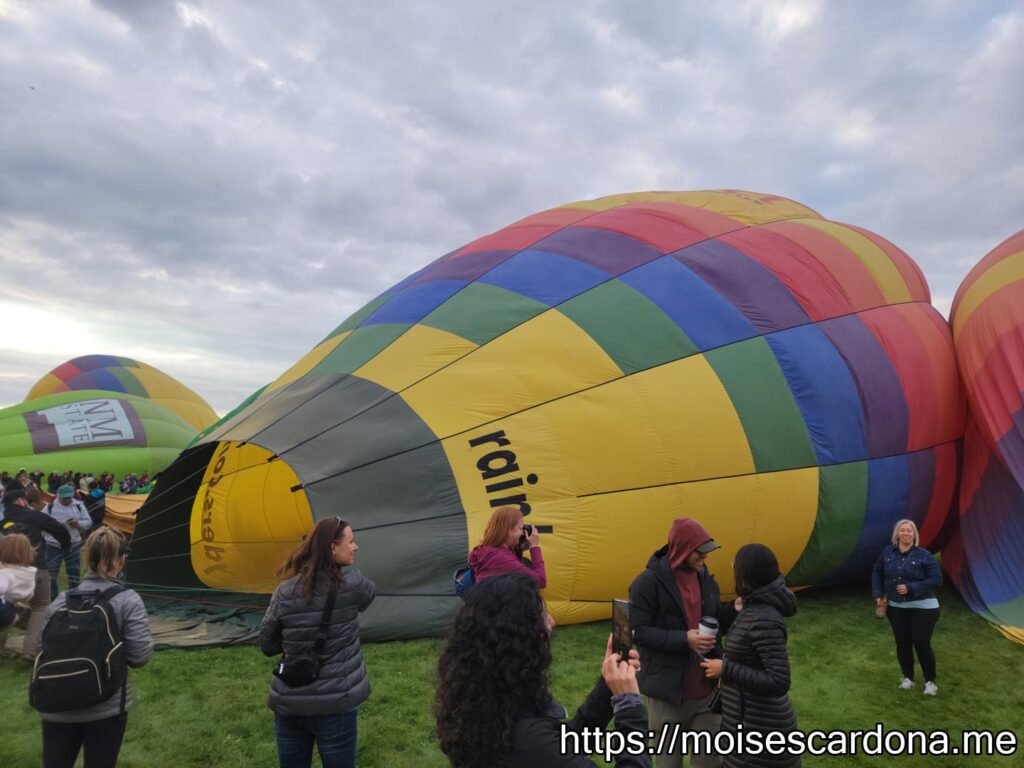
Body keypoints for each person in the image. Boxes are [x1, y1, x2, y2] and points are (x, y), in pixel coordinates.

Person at [436, 572, 650, 768]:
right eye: (541, 617)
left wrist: (608, 686)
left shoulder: (486, 709)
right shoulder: (530, 742)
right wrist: (628, 704)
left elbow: (563, 744)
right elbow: (548, 749)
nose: (551, 623)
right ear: (516, 641)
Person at [259, 517, 376, 768]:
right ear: (333, 548)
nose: (355, 547)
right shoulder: (354, 584)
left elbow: (266, 645)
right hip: (335, 703)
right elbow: (368, 597)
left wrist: (295, 643)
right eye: (351, 542)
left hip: (290, 701)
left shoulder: (285, 591)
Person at [39, 526, 153, 768]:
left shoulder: (60, 601)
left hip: (55, 704)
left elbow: (44, 646)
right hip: (106, 706)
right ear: (122, 559)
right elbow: (140, 656)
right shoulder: (127, 600)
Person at [629, 518, 730, 768]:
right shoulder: (647, 583)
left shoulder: (707, 579)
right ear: (683, 549)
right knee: (667, 764)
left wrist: (736, 610)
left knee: (711, 764)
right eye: (700, 551)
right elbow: (639, 633)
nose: (704, 557)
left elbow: (716, 623)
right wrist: (684, 638)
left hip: (707, 694)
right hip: (667, 696)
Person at [701, 544, 799, 768]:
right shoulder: (752, 607)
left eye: (736, 565)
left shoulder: (764, 618)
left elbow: (779, 680)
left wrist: (725, 668)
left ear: (747, 574)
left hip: (762, 730)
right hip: (746, 722)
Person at [872, 519, 942, 696]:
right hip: (896, 606)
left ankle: (930, 681)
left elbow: (936, 579)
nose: (906, 533)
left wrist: (912, 588)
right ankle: (908, 678)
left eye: (909, 531)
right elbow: (877, 571)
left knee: (921, 643)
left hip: (923, 606)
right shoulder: (888, 552)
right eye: (902, 530)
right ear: (897, 534)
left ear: (914, 535)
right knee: (902, 642)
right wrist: (878, 593)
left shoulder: (924, 555)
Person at [1, 483, 70, 658]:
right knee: (40, 607)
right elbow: (60, 530)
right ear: (20, 500)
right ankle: (31, 651)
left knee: (4, 608)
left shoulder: (2, 523)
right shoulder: (35, 516)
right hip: (36, 570)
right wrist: (66, 546)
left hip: (6, 574)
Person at [467, 505, 547, 587]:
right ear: (508, 529)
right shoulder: (500, 559)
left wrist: (519, 543)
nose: (522, 533)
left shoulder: (486, 552)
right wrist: (534, 547)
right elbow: (540, 580)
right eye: (520, 528)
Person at [42, 484, 93, 600]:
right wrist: (55, 526)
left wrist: (78, 524)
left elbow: (89, 522)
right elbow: (41, 523)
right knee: (51, 573)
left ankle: (74, 597)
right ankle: (53, 598)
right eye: (64, 498)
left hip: (73, 545)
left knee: (73, 572)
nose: (67, 500)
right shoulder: (49, 507)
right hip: (53, 546)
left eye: (69, 497)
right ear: (58, 496)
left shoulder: (79, 505)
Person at [0, 532, 37, 635]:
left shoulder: (6, 573)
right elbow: (29, 595)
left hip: (3, 608)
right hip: (11, 610)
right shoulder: (27, 573)